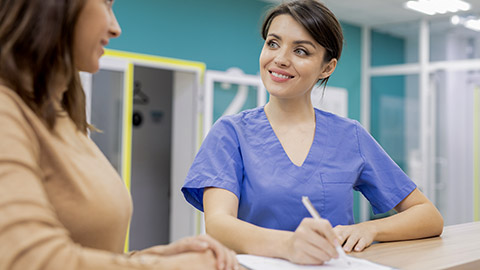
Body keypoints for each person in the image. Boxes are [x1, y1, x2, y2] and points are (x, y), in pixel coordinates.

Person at [182, 0, 444, 266]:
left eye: (301, 51)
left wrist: (369, 229)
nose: (280, 59)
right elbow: (219, 223)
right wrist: (288, 245)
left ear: (327, 67)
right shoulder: (231, 133)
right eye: (273, 43)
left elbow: (428, 215)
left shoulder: (349, 136)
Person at [0, 0, 241, 269]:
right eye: (105, 4)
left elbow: (88, 251)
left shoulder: (64, 118)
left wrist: (158, 257)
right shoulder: (6, 112)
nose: (115, 28)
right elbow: (27, 260)